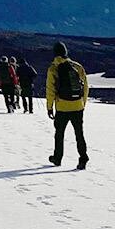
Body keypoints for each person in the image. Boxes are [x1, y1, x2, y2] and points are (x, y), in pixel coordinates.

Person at [46, 41, 89, 169]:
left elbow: (50, 90)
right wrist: (82, 104)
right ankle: (83, 158)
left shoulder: (53, 68)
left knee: (59, 134)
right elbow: (85, 88)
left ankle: (57, 158)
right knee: (79, 134)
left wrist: (49, 107)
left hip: (62, 107)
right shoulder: (78, 66)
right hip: (78, 106)